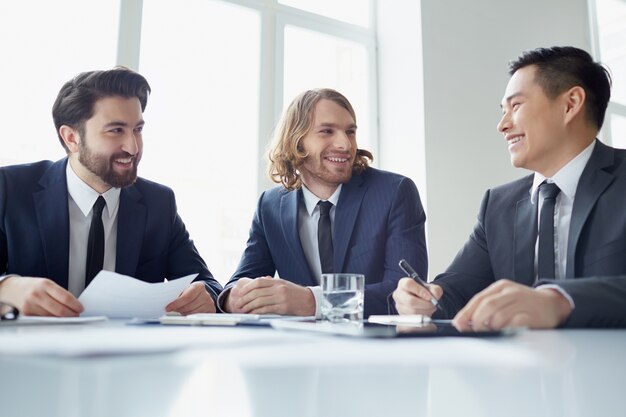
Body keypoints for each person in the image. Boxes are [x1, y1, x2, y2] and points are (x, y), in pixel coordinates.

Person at [394, 46, 626, 329]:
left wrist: (560, 301)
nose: (502, 125)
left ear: (570, 104)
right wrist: (426, 298)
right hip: (522, 369)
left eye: (515, 106)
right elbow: (458, 290)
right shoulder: (498, 205)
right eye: (503, 111)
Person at [0, 67, 222, 316]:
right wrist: (5, 288)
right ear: (71, 137)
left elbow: (208, 286)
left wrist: (206, 297)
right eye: (116, 130)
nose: (133, 147)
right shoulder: (10, 189)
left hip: (126, 351)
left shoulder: (159, 203)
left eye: (137, 129)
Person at [219, 88, 427, 318]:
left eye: (350, 132)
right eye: (327, 131)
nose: (345, 144)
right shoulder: (269, 206)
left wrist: (314, 301)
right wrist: (233, 299)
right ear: (296, 142)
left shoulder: (395, 193)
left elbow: (408, 292)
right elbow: (240, 282)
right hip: (298, 349)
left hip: (376, 347)